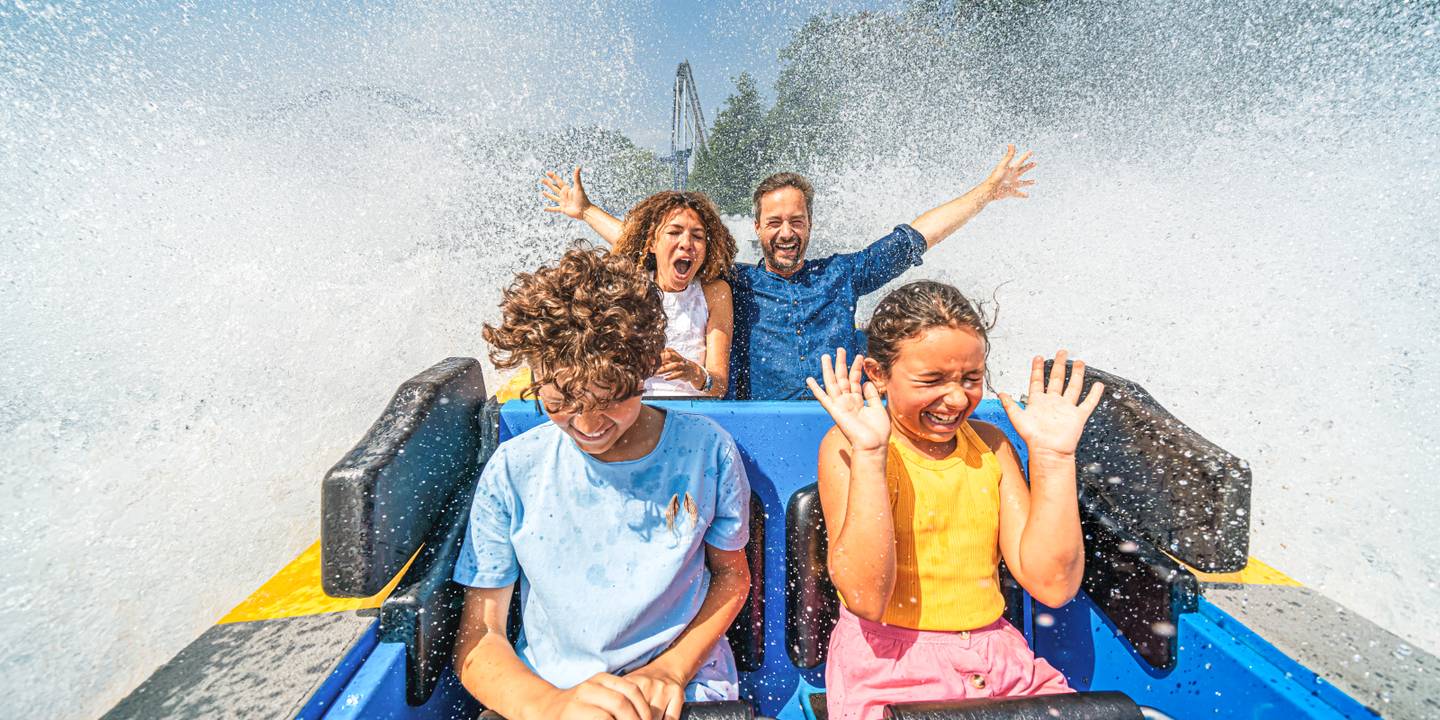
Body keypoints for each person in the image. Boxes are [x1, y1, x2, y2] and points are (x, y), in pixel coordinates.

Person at [451, 247, 752, 720]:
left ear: (645, 368)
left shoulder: (708, 453)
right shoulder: (513, 471)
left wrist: (671, 670)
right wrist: (552, 706)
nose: (589, 424)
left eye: (610, 398)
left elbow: (732, 577)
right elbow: (480, 637)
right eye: (560, 403)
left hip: (687, 691)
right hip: (550, 691)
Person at [805, 281, 1103, 720]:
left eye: (971, 379)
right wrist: (870, 454)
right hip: (889, 670)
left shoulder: (991, 446)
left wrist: (1053, 457)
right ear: (877, 373)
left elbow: (1053, 585)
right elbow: (866, 598)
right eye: (932, 380)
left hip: (1001, 664)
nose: (958, 398)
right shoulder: (848, 447)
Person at [540, 147, 1035, 399]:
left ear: (810, 225)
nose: (785, 231)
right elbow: (662, 242)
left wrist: (986, 192)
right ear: (757, 228)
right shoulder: (734, 282)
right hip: (756, 425)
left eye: (796, 221)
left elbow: (914, 239)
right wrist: (586, 212)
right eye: (774, 222)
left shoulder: (843, 274)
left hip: (835, 422)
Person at [541, 178, 735, 398]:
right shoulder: (632, 283)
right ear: (652, 244)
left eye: (698, 236)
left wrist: (693, 372)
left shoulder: (715, 292)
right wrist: (586, 210)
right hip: (633, 409)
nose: (687, 244)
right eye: (674, 232)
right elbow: (629, 239)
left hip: (693, 411)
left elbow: (718, 387)